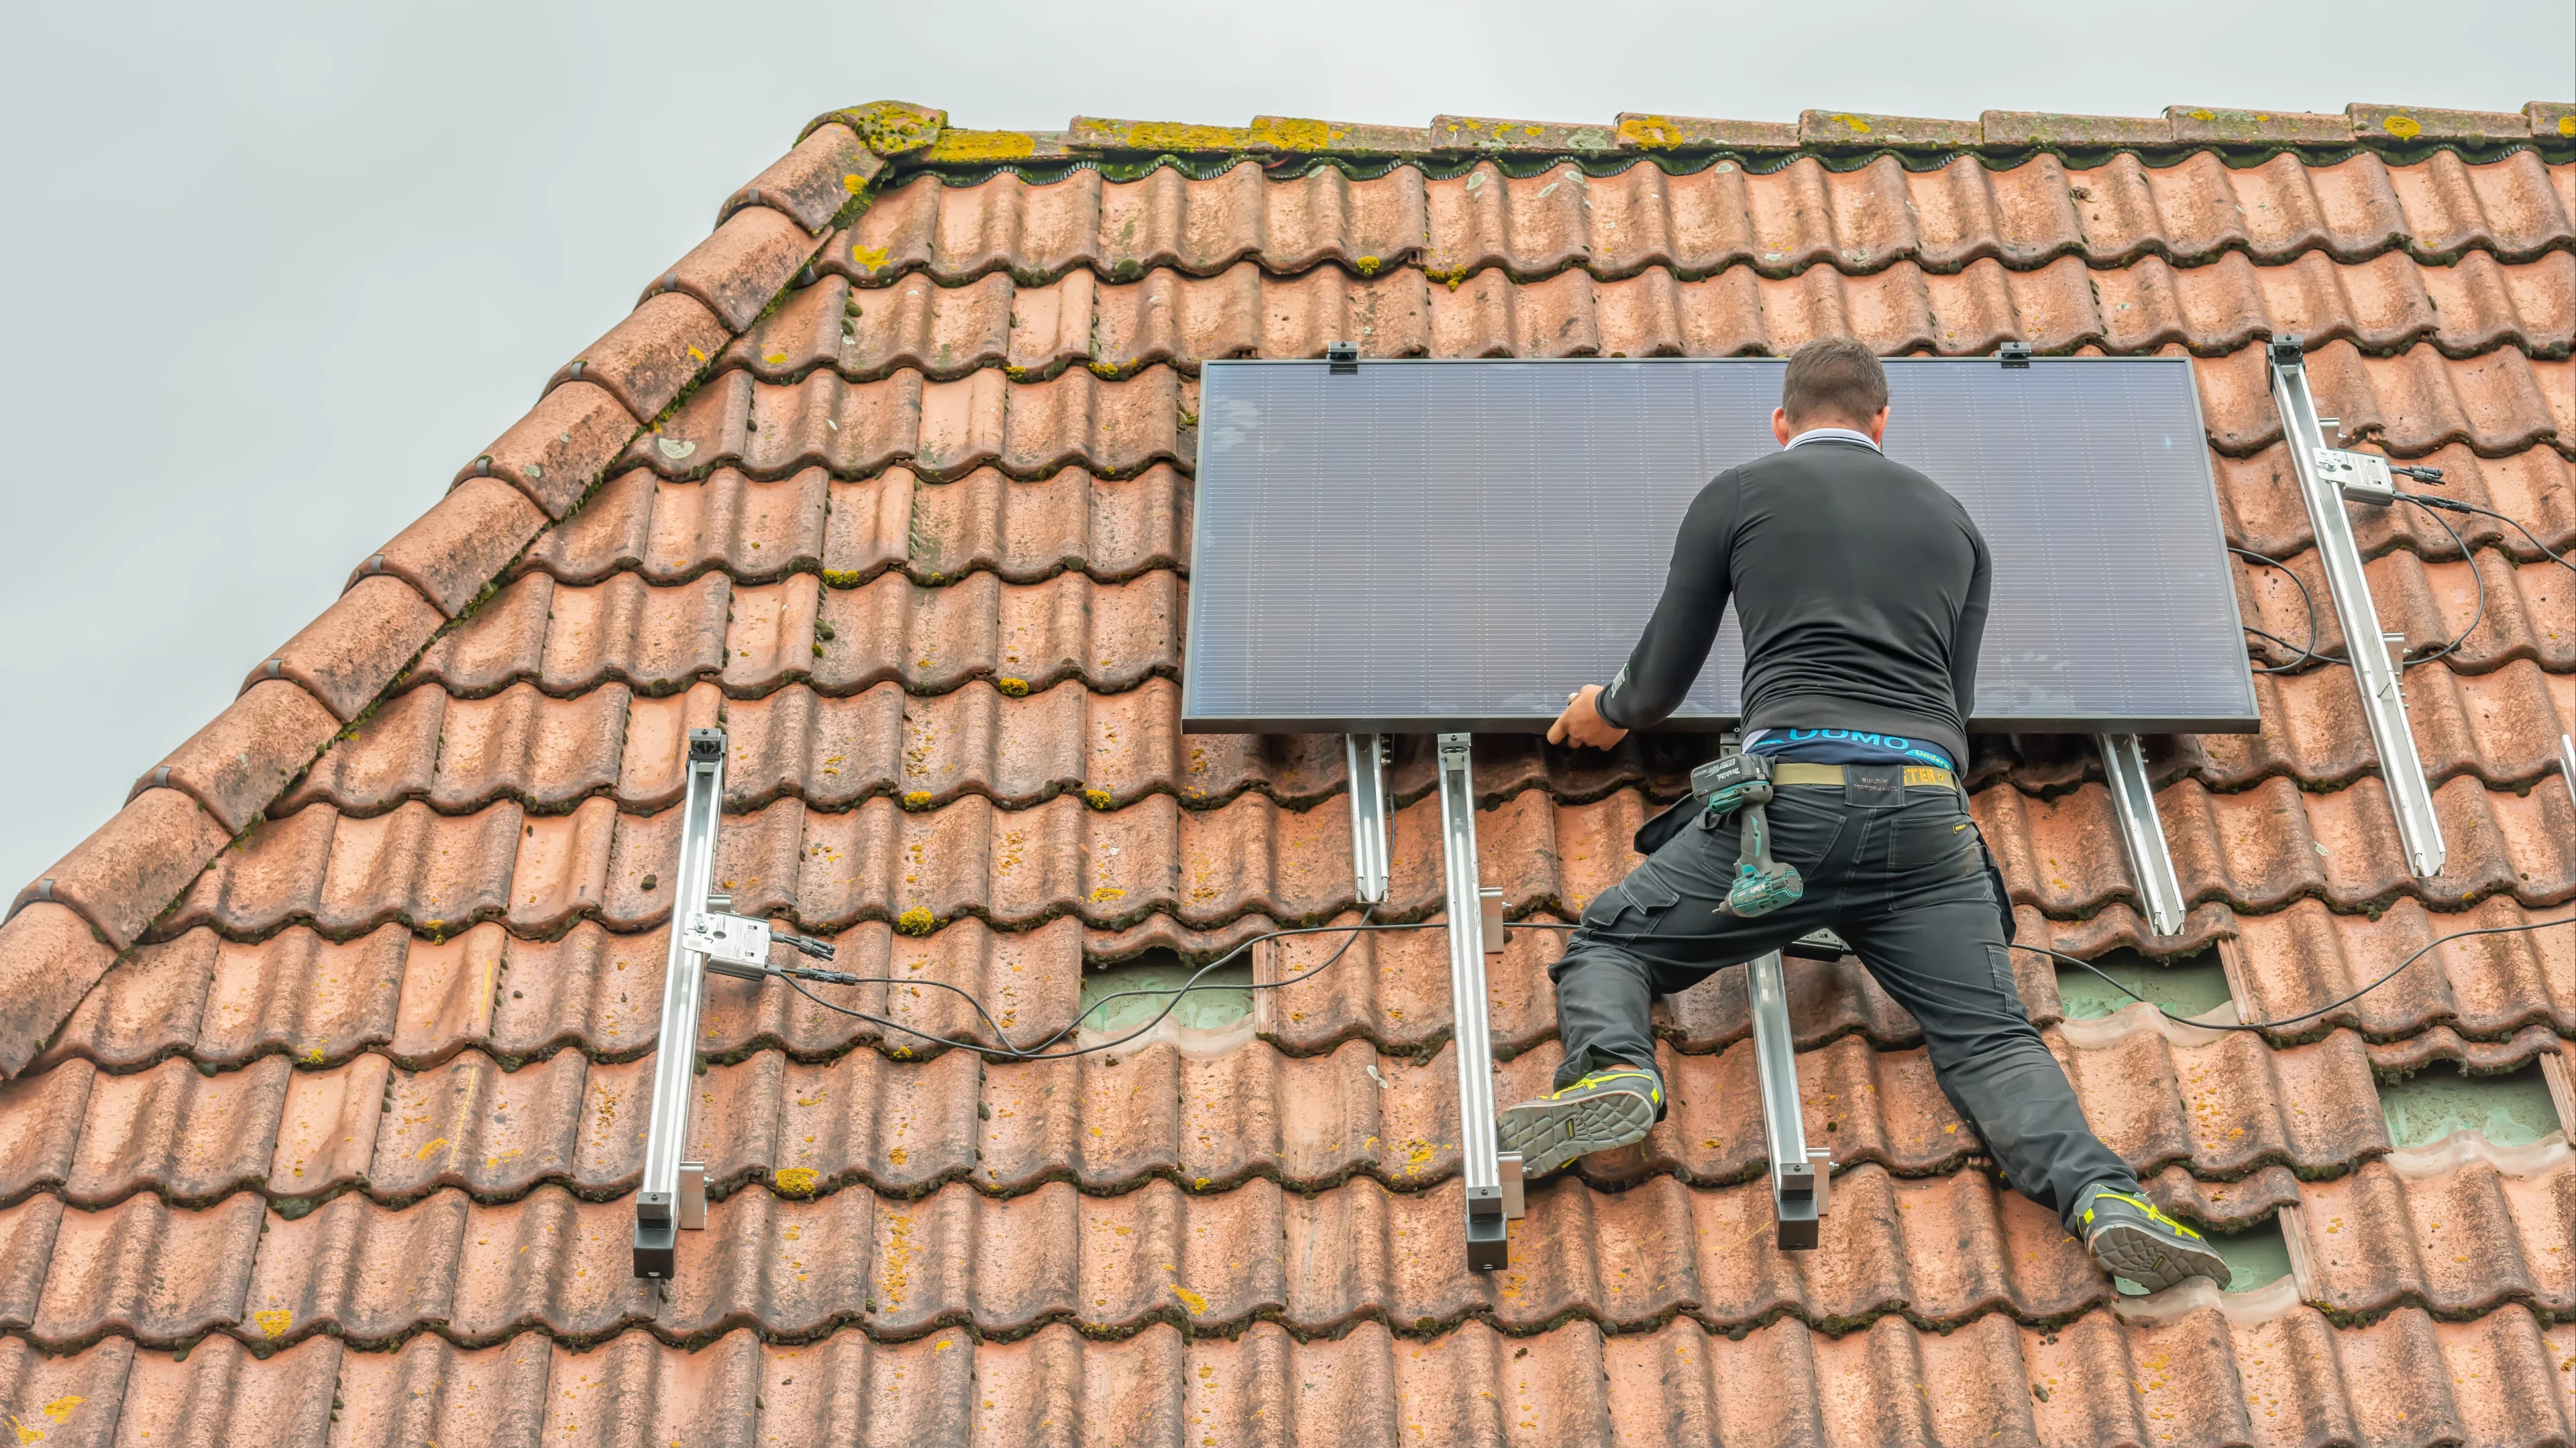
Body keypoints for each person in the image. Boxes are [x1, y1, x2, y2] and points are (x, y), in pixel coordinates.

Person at [1500, 337, 2228, 1294]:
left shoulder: (1738, 494)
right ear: (1883, 422)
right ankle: (2103, 1196)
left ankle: (1615, 1072)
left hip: (1786, 810)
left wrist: (1608, 708)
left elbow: (1664, 677)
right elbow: (1953, 711)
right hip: (1928, 820)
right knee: (1992, 1038)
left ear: (1782, 421)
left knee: (1609, 943)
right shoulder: (1957, 524)